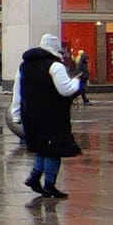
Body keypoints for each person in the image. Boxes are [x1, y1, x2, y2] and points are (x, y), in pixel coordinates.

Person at [11, 33, 82, 199]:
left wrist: (16, 114)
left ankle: (34, 177)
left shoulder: (24, 66)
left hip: (31, 115)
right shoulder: (55, 66)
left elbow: (17, 91)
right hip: (52, 115)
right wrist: (77, 82)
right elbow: (65, 89)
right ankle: (49, 186)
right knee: (53, 150)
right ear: (56, 48)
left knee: (43, 148)